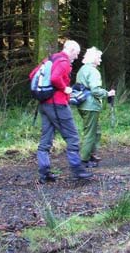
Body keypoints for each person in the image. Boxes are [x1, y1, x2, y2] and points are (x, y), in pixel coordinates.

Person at [29, 40, 93, 183]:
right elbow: (55, 78)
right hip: (57, 105)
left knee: (45, 140)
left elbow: (32, 74)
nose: (76, 57)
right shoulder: (63, 62)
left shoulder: (50, 59)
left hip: (44, 105)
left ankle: (44, 173)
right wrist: (65, 88)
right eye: (76, 53)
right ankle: (78, 170)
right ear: (70, 50)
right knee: (72, 137)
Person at [75, 47, 116, 167]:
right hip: (90, 105)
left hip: (82, 104)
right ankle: (84, 160)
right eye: (99, 57)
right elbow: (95, 90)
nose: (100, 60)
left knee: (95, 130)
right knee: (90, 133)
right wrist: (108, 93)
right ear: (93, 58)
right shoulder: (93, 71)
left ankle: (92, 154)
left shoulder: (82, 69)